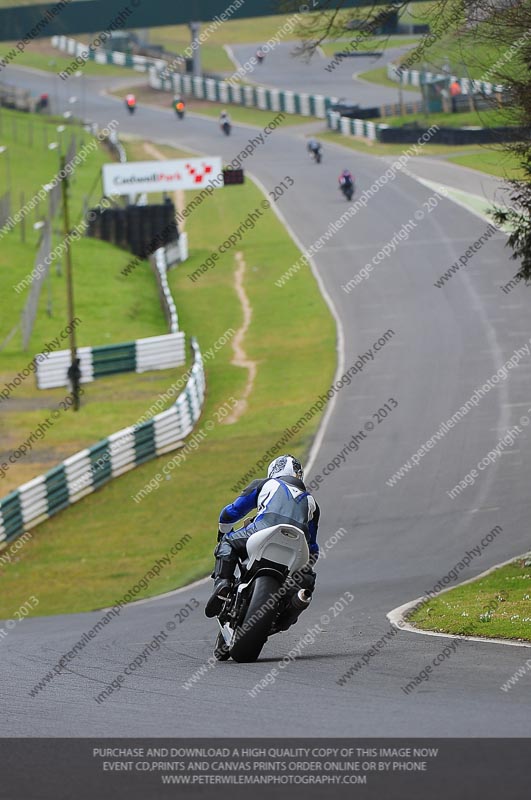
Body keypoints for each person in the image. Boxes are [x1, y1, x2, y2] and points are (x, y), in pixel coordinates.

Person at [205, 455, 320, 618]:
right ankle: (291, 609)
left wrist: (224, 532)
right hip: (297, 546)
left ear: (273, 471)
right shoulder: (312, 502)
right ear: (299, 474)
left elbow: (231, 513)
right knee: (307, 577)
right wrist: (307, 567)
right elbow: (313, 547)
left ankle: (223, 583)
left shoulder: (265, 484)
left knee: (227, 543)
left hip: (262, 531)